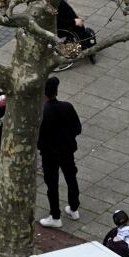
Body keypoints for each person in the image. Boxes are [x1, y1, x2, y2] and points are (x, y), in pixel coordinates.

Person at [38, 76, 81, 228]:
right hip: (67, 151)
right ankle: (74, 208)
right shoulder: (67, 106)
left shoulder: (43, 114)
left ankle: (55, 217)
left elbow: (39, 138)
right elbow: (78, 129)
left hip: (49, 155)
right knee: (71, 179)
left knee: (52, 185)